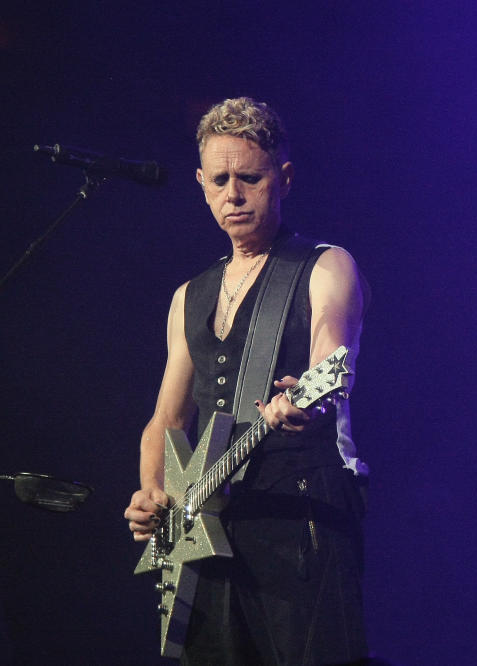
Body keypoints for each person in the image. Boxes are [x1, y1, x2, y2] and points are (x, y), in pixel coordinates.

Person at [124, 97, 369, 665]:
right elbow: (166, 420)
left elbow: (334, 353)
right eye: (219, 180)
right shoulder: (190, 295)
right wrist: (154, 494)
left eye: (249, 178)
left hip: (302, 515)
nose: (233, 194)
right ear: (201, 185)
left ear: (282, 179)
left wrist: (304, 395)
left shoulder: (326, 265)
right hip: (206, 529)